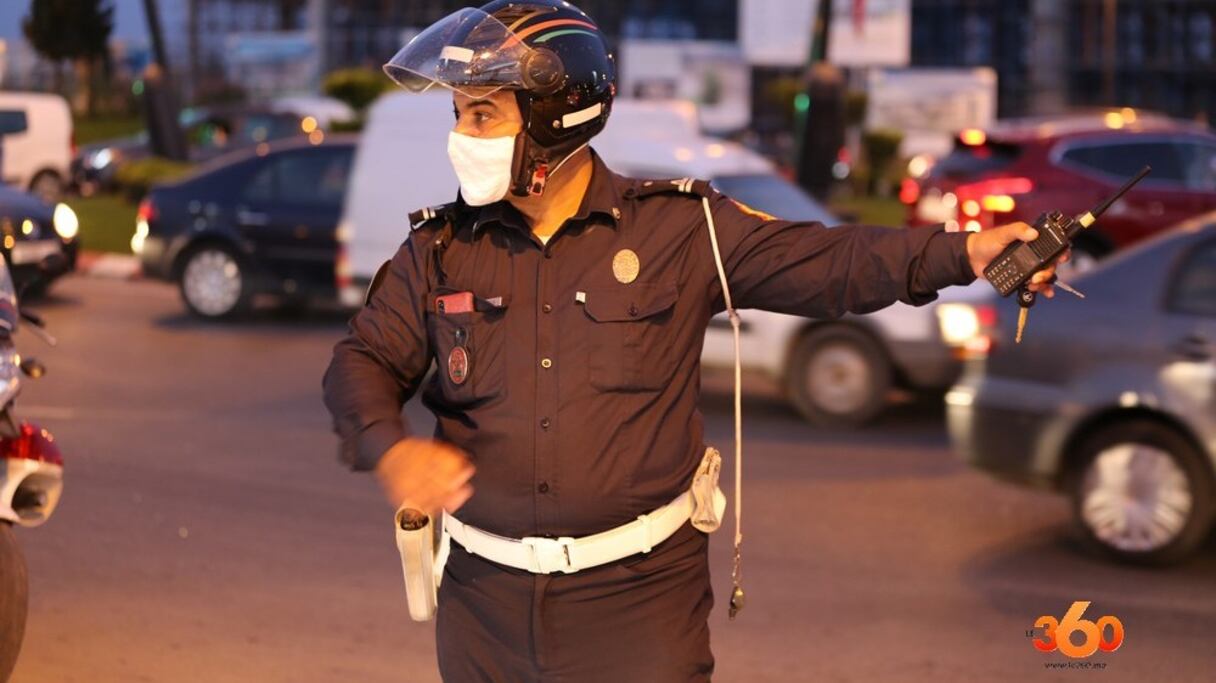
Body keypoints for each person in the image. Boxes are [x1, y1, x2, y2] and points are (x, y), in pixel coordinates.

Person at [321, 1, 1066, 680]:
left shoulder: (680, 229)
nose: (462, 139)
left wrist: (967, 252)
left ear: (558, 115)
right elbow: (362, 359)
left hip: (638, 607)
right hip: (482, 608)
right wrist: (392, 446)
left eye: (482, 115)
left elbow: (831, 263)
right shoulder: (441, 249)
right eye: (458, 114)